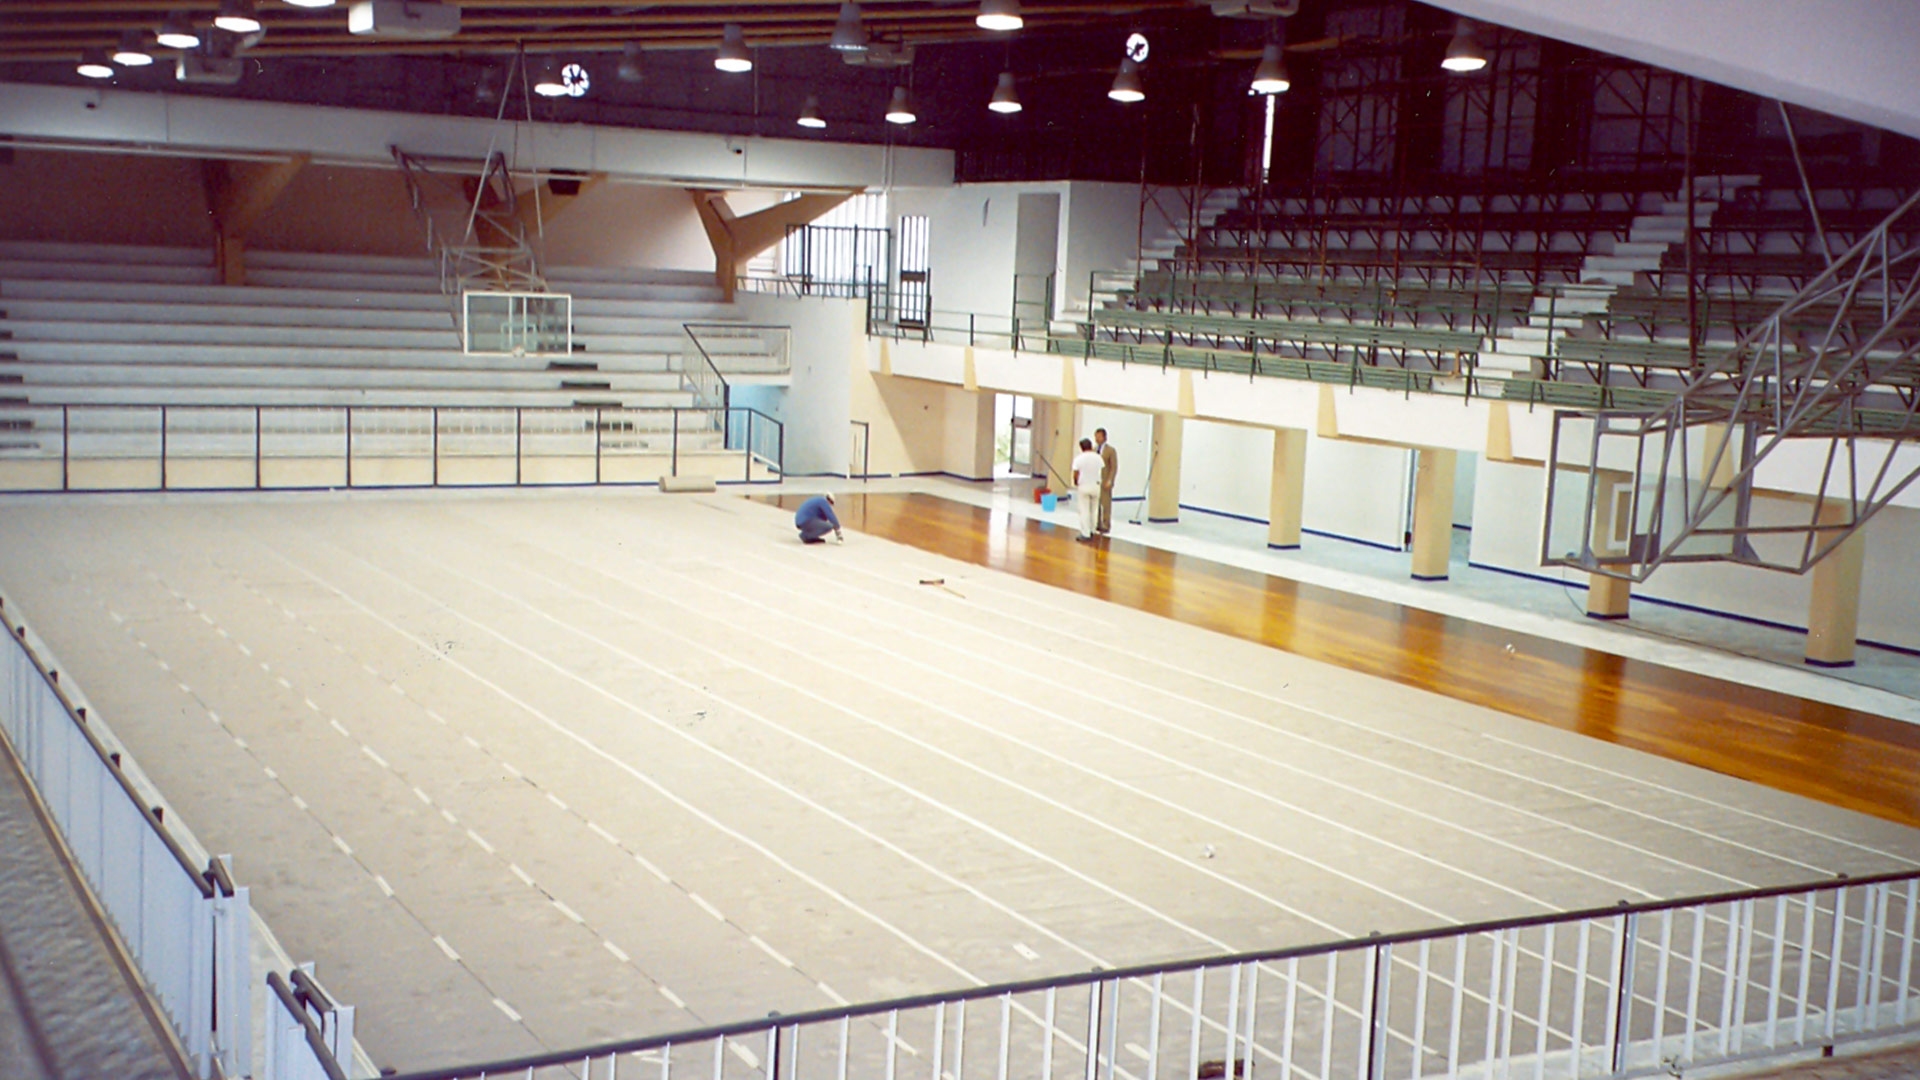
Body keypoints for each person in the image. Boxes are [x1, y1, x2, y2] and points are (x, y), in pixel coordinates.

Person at [1070, 437, 1105, 542]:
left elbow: (1076, 473)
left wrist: (1076, 483)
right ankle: (1093, 530)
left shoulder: (1079, 459)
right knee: (1094, 510)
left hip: (1084, 486)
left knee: (1084, 510)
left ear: (1081, 447)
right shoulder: (1098, 457)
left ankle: (1085, 533)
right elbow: (1102, 469)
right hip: (1096, 485)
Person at [1094, 427, 1118, 534]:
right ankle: (1098, 523)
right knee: (1097, 503)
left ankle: (1106, 524)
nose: (1097, 438)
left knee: (1106, 504)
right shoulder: (1094, 450)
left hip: (1105, 480)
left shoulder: (1110, 451)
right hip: (1096, 480)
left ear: (1104, 437)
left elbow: (1114, 467)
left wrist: (1110, 480)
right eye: (1096, 436)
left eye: (1099, 436)